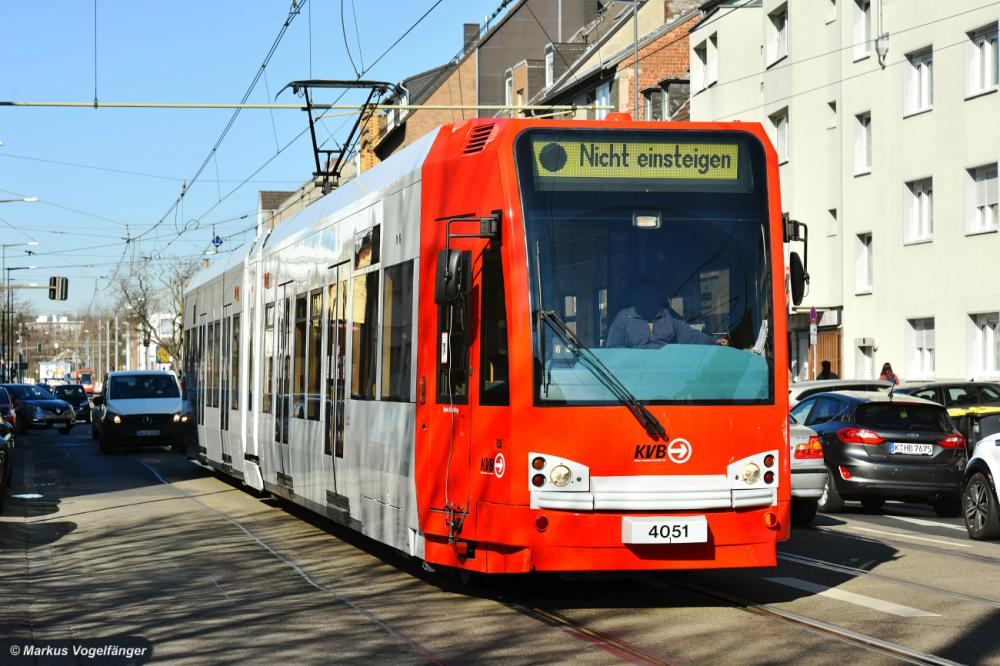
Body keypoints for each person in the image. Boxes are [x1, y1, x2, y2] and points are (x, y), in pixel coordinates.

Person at [605, 282, 728, 349]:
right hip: (633, 379)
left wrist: (713, 341)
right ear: (637, 298)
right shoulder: (624, 317)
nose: (648, 299)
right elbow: (613, 348)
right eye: (644, 295)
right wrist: (636, 356)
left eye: (652, 296)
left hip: (665, 374)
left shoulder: (668, 315)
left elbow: (689, 336)